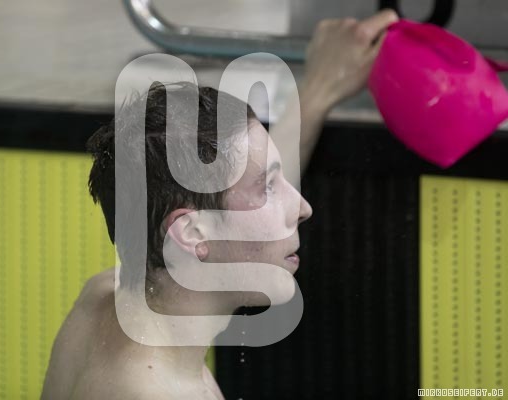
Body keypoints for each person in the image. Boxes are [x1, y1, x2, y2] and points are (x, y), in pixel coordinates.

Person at [41, 10, 399, 400]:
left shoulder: (107, 297)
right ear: (192, 233)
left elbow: (230, 200)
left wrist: (319, 89)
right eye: (268, 188)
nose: (303, 208)